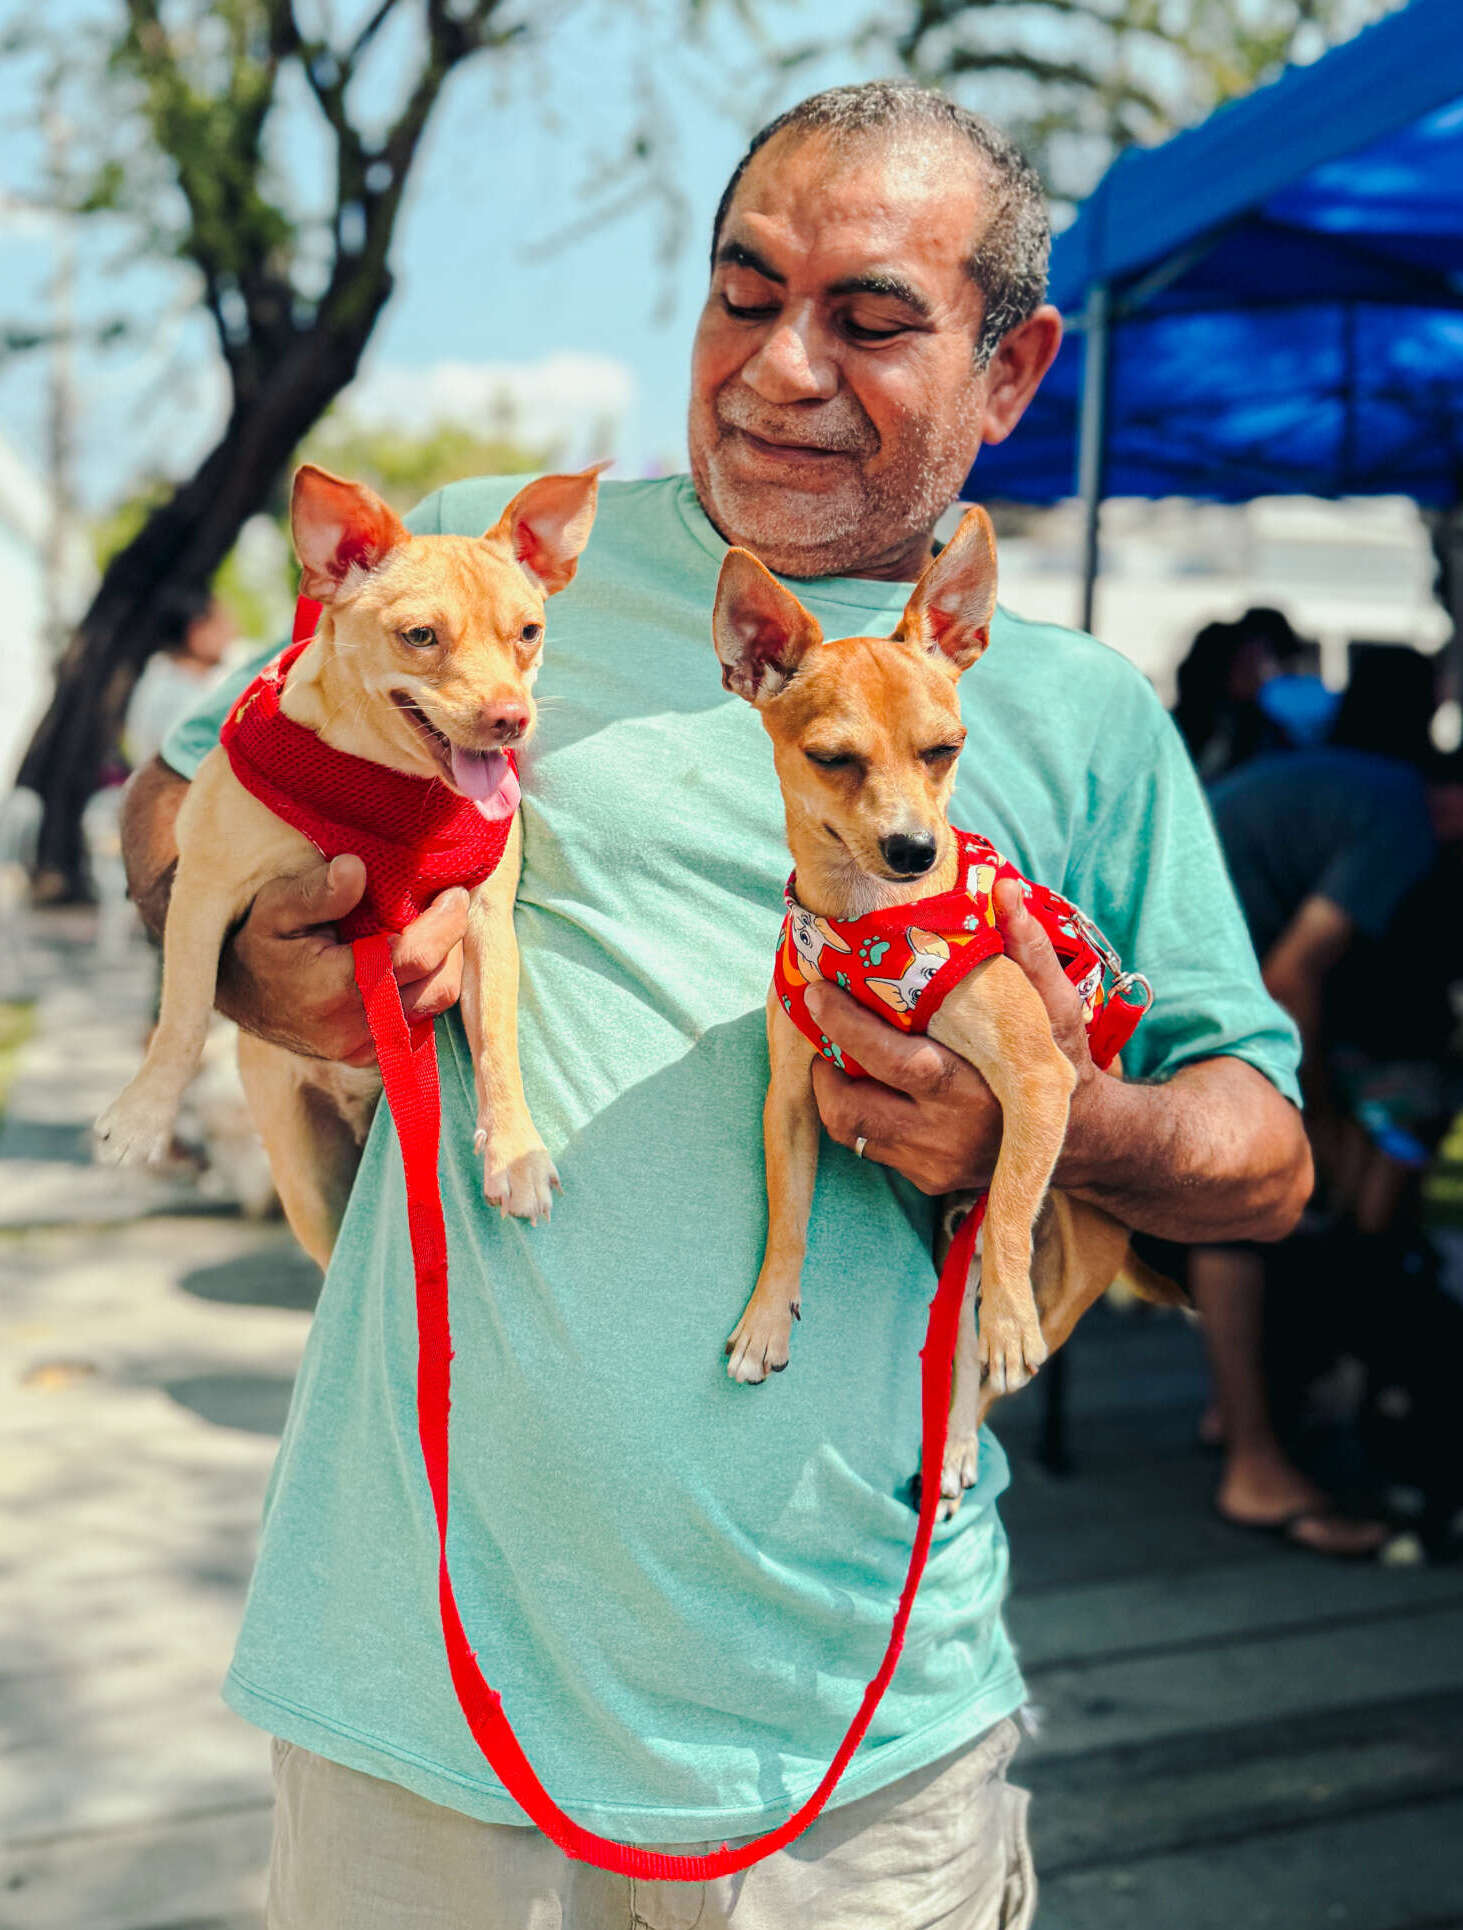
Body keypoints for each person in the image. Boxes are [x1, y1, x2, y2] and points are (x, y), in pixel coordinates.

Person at [119, 83, 1307, 1930]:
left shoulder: (1074, 713)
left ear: (1011, 371)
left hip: (857, 1755)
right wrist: (264, 961)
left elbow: (1265, 1156)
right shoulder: (479, 582)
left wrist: (1061, 1120)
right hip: (422, 1701)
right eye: (742, 294)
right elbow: (174, 807)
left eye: (871, 318)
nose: (778, 366)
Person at [1192, 743, 1436, 1557]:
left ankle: (1238, 1407)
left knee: (1253, 1190)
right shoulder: (1403, 823)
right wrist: (1320, 1127)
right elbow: (1292, 977)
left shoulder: (1378, 790)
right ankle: (1254, 1465)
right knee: (1239, 1193)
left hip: (1181, 939)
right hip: (1177, 955)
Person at [121, 589, 237, 771]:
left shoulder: (172, 683)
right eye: (221, 625)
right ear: (196, 632)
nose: (232, 633)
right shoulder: (174, 698)